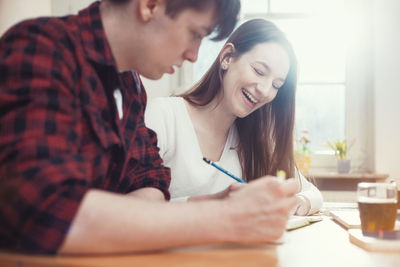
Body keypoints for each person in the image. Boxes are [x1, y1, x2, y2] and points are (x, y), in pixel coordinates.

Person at [0, 0, 299, 255]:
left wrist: (210, 207)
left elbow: (151, 183)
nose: (193, 55)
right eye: (194, 34)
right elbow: (43, 209)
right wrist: (221, 216)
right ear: (150, 5)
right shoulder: (41, 48)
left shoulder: (129, 85)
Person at [145, 19, 323, 215]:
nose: (265, 91)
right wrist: (217, 205)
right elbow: (130, 210)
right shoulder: (164, 116)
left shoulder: (253, 142)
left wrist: (300, 202)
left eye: (276, 85)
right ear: (227, 57)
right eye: (259, 71)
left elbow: (312, 193)